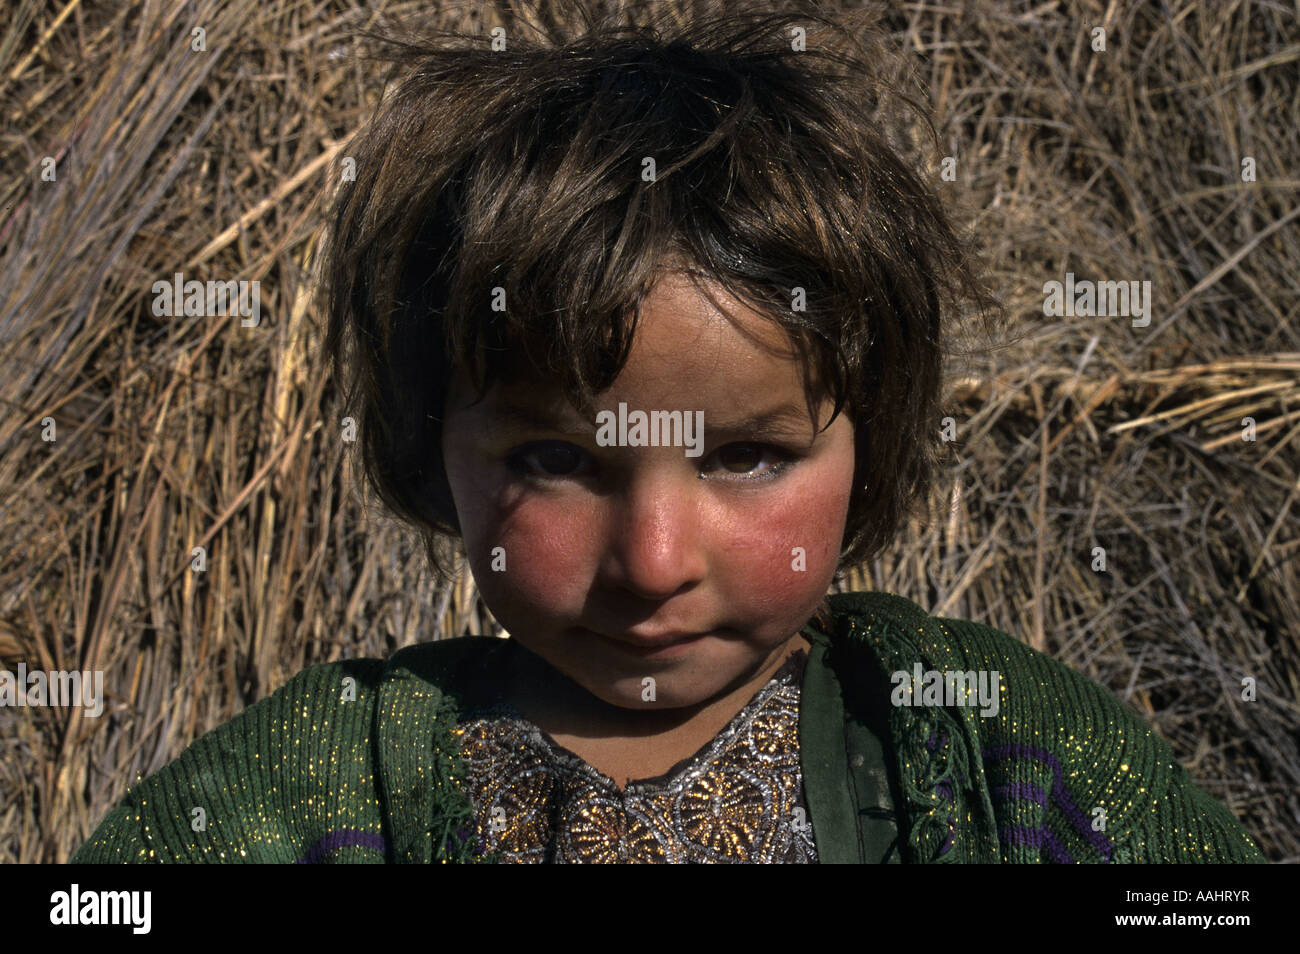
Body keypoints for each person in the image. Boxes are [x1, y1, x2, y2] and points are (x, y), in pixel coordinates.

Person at [72, 4, 1263, 864]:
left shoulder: (996, 751)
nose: (651, 561)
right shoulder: (322, 785)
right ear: (429, 448)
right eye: (553, 461)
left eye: (746, 456)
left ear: (873, 445)